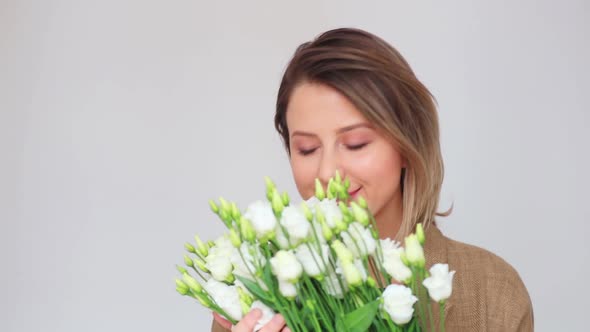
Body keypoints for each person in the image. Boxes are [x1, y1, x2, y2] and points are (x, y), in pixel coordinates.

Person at [211, 27, 533, 332]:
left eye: (355, 144)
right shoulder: (254, 296)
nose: (326, 173)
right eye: (307, 149)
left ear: (407, 144)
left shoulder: (493, 293)